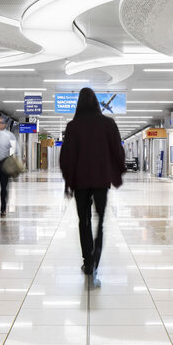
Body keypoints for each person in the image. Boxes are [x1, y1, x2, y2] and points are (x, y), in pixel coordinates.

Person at [59, 88, 125, 275]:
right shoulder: (108, 123)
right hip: (101, 180)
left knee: (84, 220)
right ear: (97, 102)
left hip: (80, 182)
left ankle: (87, 261)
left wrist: (68, 181)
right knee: (100, 221)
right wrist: (117, 172)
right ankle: (97, 251)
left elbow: (66, 158)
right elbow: (118, 152)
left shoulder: (73, 126)